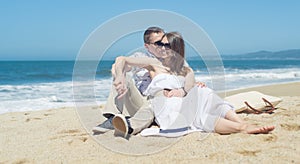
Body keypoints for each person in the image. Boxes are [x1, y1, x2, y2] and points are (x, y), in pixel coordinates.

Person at [112, 32, 275, 137]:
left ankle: (240, 122)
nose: (162, 48)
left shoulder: (183, 68)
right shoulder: (153, 62)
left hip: (183, 98)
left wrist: (182, 91)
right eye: (160, 44)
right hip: (165, 103)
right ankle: (242, 128)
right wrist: (119, 75)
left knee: (206, 94)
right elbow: (122, 59)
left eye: (167, 45)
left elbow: (189, 84)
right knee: (199, 116)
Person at [93, 27, 195, 135]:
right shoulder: (143, 58)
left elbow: (187, 80)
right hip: (140, 100)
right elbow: (119, 63)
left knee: (158, 97)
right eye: (158, 43)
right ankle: (113, 118)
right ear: (147, 46)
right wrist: (119, 76)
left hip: (163, 99)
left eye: (165, 43)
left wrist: (186, 88)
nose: (163, 46)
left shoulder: (180, 63)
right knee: (123, 76)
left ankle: (130, 125)